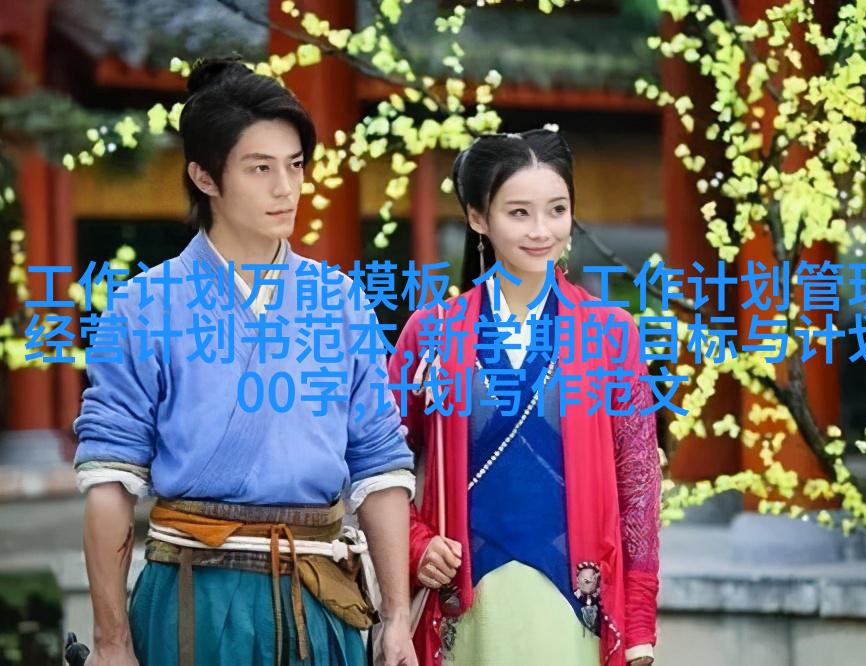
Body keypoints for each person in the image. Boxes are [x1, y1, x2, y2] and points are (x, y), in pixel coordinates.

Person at [74, 58, 417, 666]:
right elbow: (109, 480)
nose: (286, 188)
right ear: (205, 177)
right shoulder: (144, 305)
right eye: (261, 168)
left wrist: (394, 618)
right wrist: (110, 641)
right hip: (194, 595)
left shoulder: (339, 301)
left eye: (295, 165)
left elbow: (380, 466)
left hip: (319, 595)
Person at [388, 129, 661, 666]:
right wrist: (416, 543)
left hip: (577, 604)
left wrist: (638, 621)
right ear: (478, 217)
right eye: (519, 213)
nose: (542, 230)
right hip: (465, 601)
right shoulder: (431, 332)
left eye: (557, 210)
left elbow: (638, 483)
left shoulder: (611, 332)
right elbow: (379, 461)